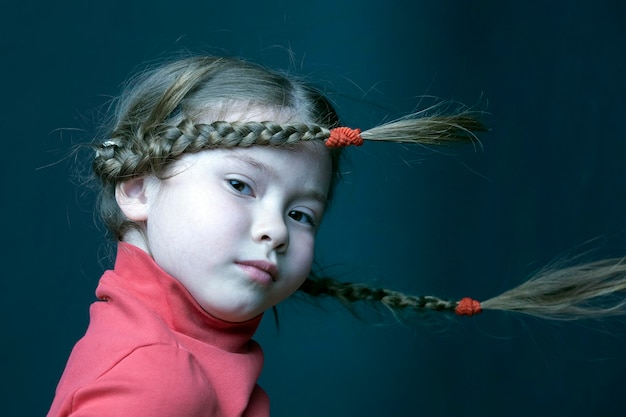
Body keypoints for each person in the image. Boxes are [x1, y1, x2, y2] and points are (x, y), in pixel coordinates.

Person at [47, 54, 626, 417]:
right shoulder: (158, 377)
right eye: (242, 185)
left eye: (303, 214)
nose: (275, 229)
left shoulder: (174, 352)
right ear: (139, 189)